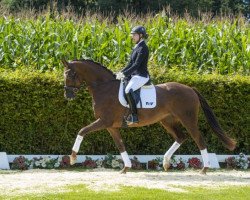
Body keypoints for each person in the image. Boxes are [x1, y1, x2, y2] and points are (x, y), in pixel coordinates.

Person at [116, 25, 150, 125]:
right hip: (134, 75)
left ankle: (134, 116)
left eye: (134, 35)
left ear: (141, 35)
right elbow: (130, 63)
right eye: (132, 35)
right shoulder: (137, 47)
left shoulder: (143, 48)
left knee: (128, 90)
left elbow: (136, 65)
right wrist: (121, 72)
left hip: (141, 76)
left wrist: (125, 74)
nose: (132, 37)